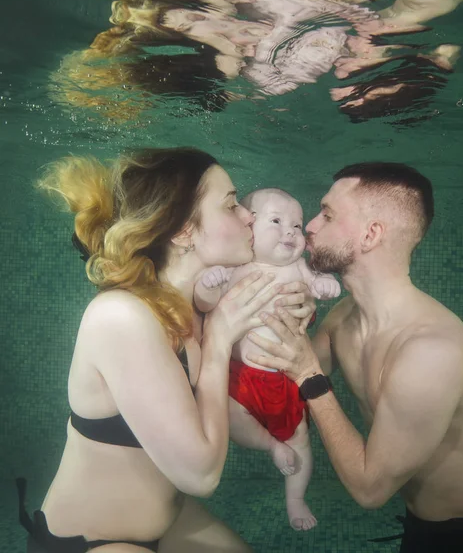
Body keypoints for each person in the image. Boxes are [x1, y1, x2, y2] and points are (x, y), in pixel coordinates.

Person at [17, 147, 315, 553]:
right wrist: (220, 341)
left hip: (170, 520)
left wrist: (297, 311)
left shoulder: (196, 305)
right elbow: (201, 476)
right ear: (183, 232)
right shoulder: (122, 316)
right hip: (92, 541)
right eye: (230, 204)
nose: (248, 215)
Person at [245, 162, 463, 552]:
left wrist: (310, 374)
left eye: (327, 213)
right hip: (422, 528)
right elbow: (278, 377)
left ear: (371, 235)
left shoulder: (432, 350)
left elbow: (370, 490)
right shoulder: (343, 318)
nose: (310, 226)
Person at [193, 188, 340, 531]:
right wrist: (208, 282)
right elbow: (204, 299)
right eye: (276, 222)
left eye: (297, 226)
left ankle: (295, 499)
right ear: (250, 230)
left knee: (301, 438)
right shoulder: (235, 266)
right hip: (240, 377)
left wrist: (325, 283)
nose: (290, 232)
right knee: (229, 416)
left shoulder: (299, 269)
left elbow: (318, 287)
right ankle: (271, 446)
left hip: (282, 380)